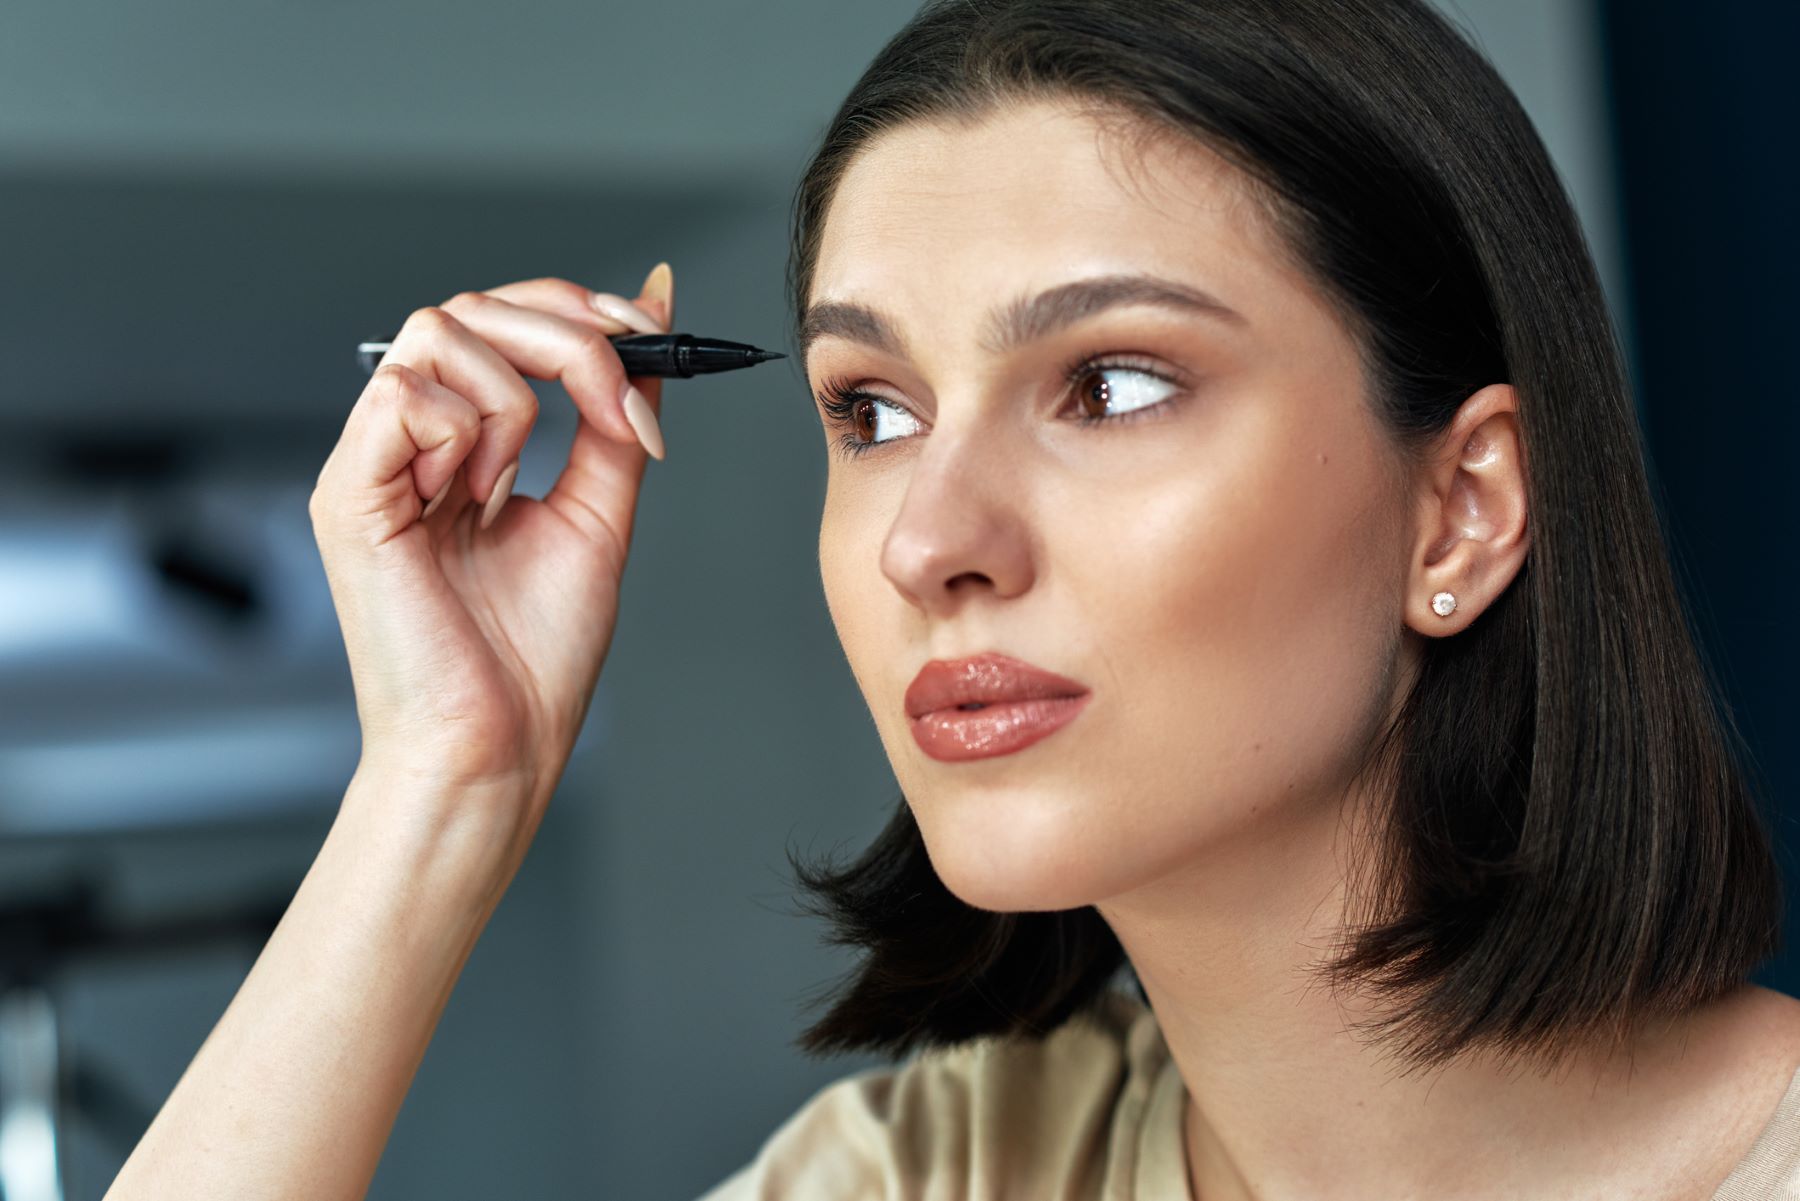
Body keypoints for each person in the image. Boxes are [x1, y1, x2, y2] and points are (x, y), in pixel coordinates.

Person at [105, 0, 1800, 1198]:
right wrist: (440, 783)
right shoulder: (931, 1177)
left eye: (1115, 385)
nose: (930, 538)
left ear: (1465, 505)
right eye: (873, 410)